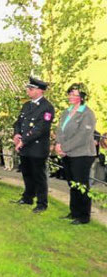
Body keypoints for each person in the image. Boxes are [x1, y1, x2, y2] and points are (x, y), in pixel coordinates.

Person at [11, 77, 55, 213]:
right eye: (28, 88)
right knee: (27, 174)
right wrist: (17, 134)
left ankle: (42, 203)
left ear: (40, 91)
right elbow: (19, 122)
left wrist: (23, 140)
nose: (28, 91)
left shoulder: (47, 107)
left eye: (31, 89)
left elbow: (41, 129)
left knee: (39, 176)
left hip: (37, 147)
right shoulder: (27, 105)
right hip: (24, 147)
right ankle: (28, 197)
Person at [55, 83, 97, 225]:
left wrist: (64, 147)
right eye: (70, 93)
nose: (71, 96)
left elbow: (82, 136)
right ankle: (74, 212)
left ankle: (84, 216)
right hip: (67, 153)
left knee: (81, 184)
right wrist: (58, 144)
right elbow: (59, 130)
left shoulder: (87, 114)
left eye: (75, 94)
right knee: (72, 184)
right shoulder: (66, 111)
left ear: (82, 97)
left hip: (83, 154)